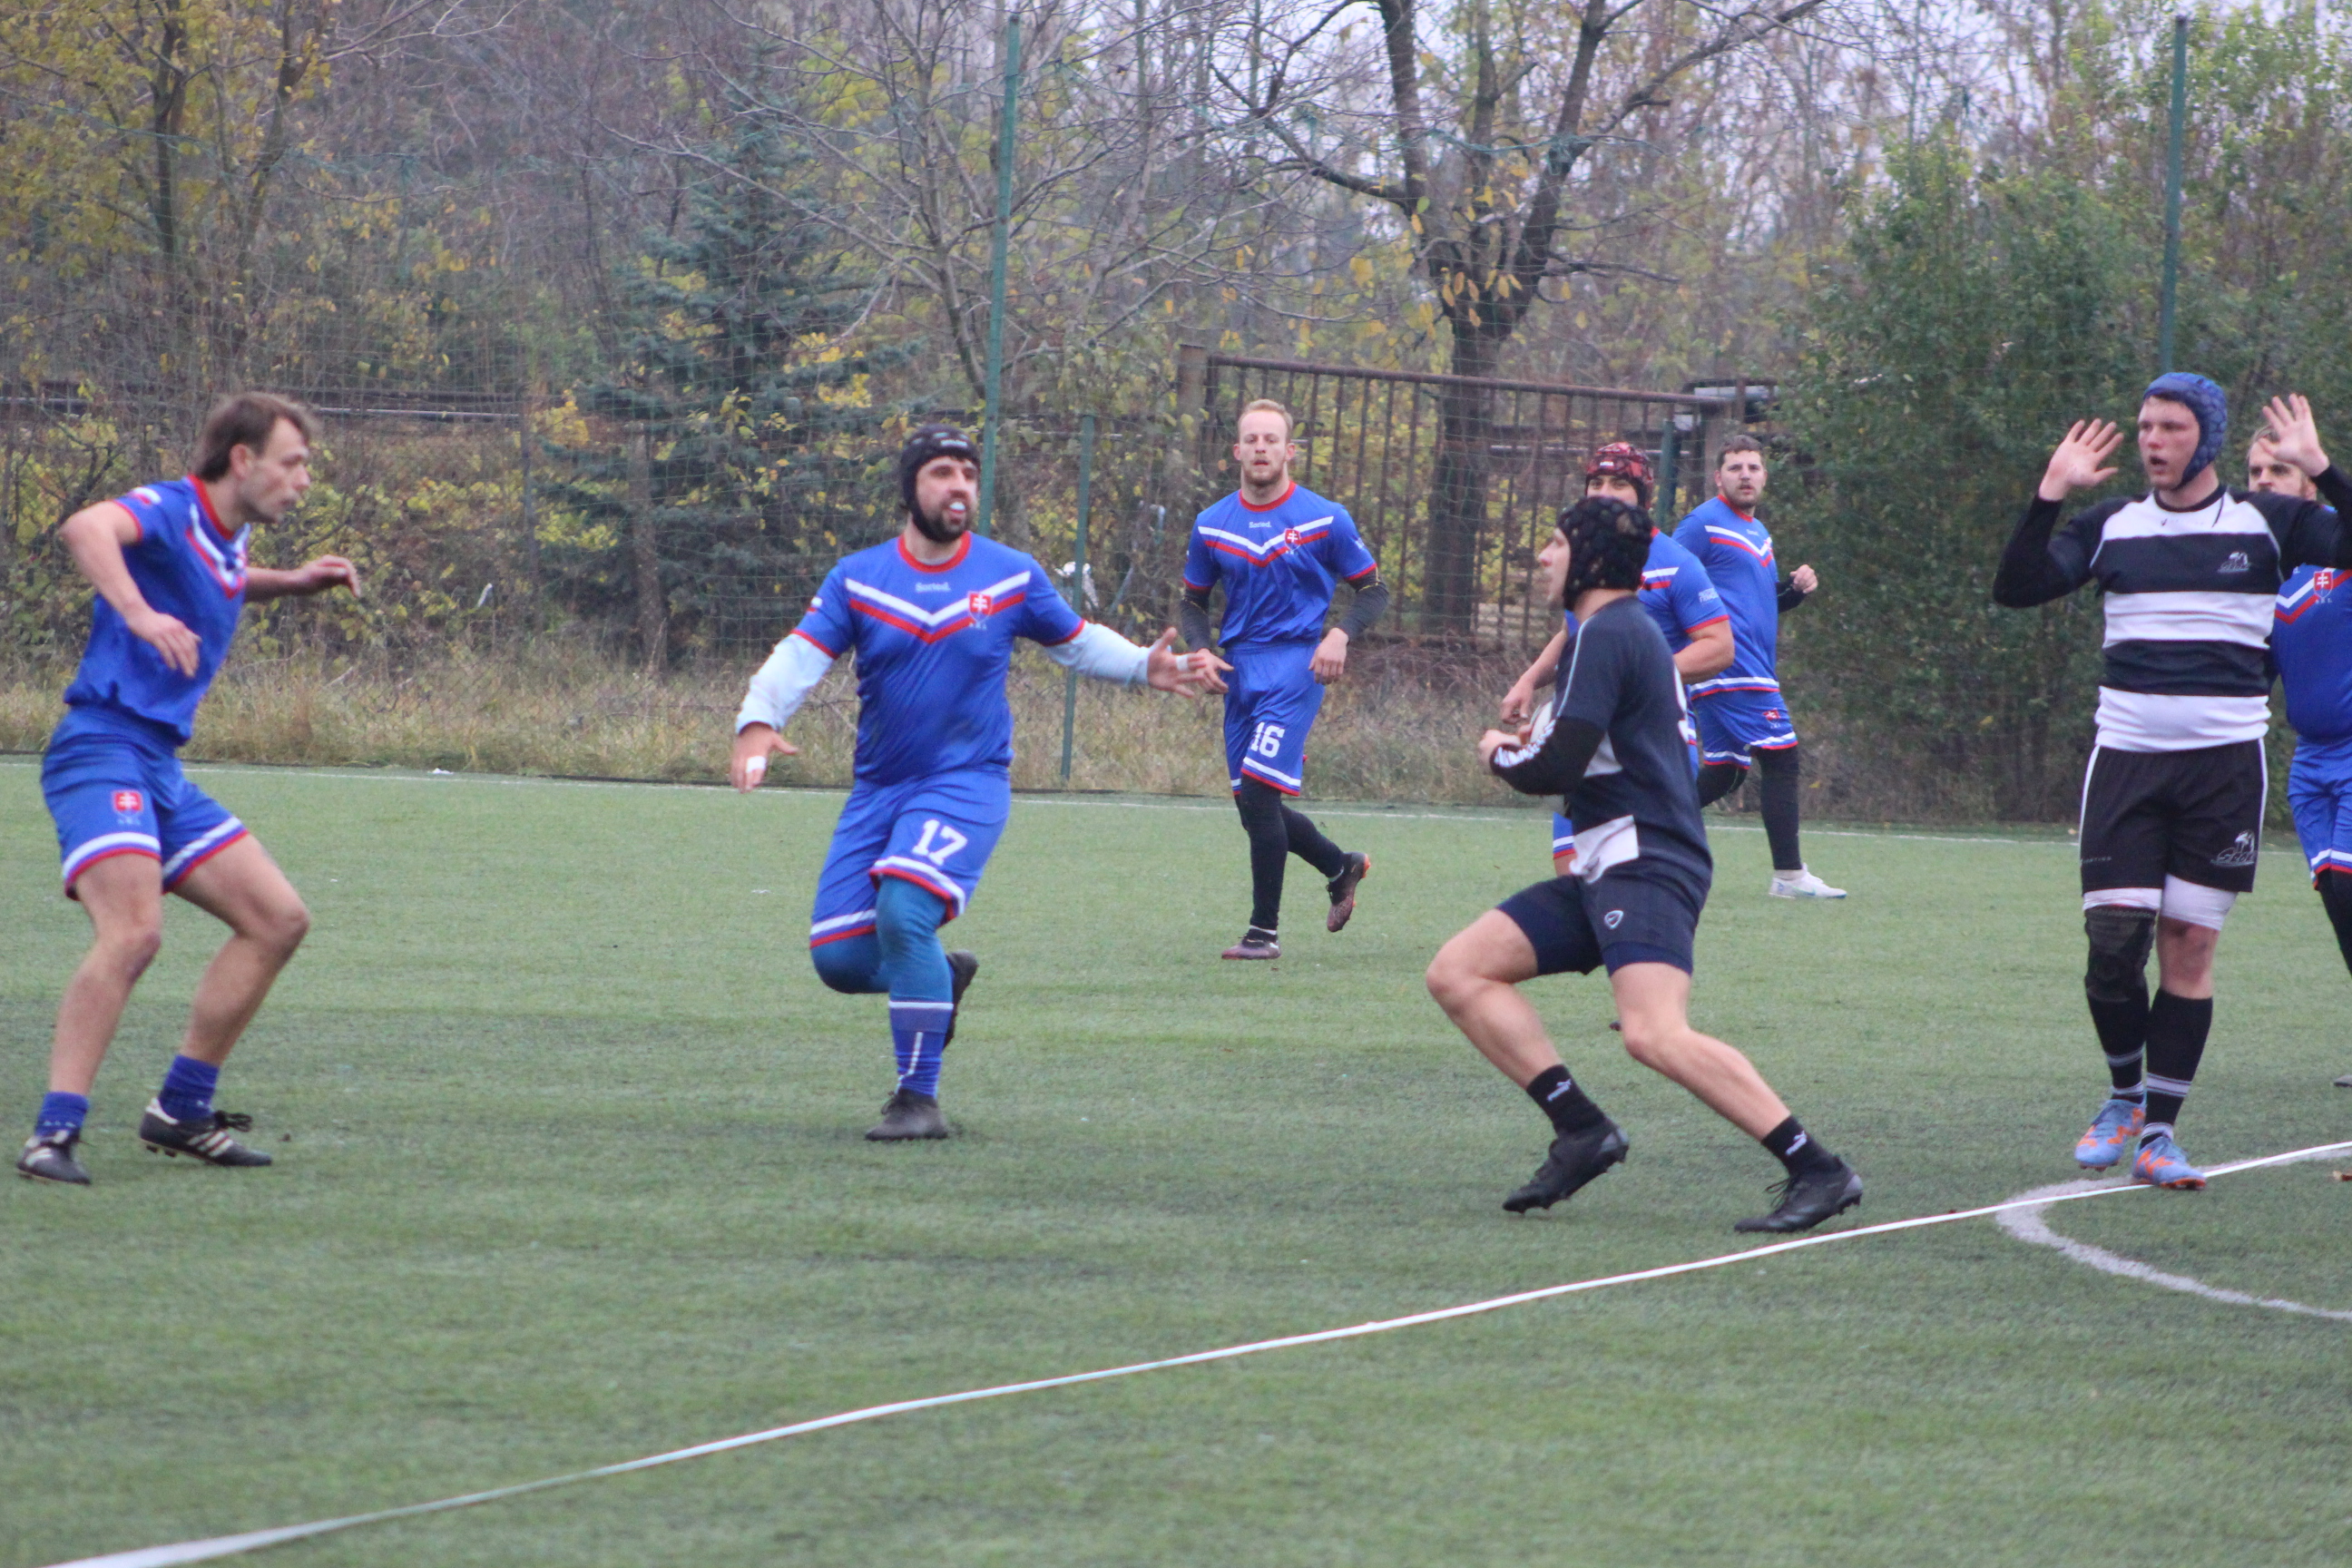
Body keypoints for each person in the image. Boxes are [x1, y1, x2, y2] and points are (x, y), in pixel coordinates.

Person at [731, 426, 1226, 1140]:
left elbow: (1076, 640)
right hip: (880, 789)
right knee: (839, 960)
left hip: (967, 782)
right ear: (910, 489)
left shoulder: (1008, 574)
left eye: (968, 472)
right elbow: (799, 656)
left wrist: (1141, 665)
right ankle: (939, 978)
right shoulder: (859, 578)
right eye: (941, 472)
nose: (959, 485)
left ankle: (917, 1100)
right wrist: (757, 720)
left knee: (904, 912)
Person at [1426, 495, 1863, 1233]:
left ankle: (1817, 1168)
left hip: (1648, 861)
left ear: (1592, 559)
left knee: (1653, 1033)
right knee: (1459, 971)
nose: (1543, 556)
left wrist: (1499, 752)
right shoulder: (1610, 632)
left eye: (1556, 542)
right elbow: (1589, 751)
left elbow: (1555, 766)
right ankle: (1582, 1130)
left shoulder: (1610, 631)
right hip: (1608, 863)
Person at [1994, 378, 2352, 1187]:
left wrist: (2322, 469)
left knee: (2188, 949)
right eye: (2146, 426)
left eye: (2172, 427)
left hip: (2223, 769)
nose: (2153, 441)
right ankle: (2124, 1094)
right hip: (2127, 761)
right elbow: (2015, 587)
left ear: (2208, 438)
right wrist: (2049, 494)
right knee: (2112, 945)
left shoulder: (2269, 521)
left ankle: (2160, 1132)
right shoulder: (2111, 525)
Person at [18, 393, 360, 1186]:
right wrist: (137, 613)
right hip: (102, 749)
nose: (304, 481)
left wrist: (294, 582)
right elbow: (85, 527)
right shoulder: (174, 507)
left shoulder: (226, 535)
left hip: (157, 766)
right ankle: (52, 1133)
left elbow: (219, 579)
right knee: (134, 934)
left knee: (277, 920)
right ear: (242, 459)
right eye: (293, 463)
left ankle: (181, 1109)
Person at [1179, 398, 1388, 960]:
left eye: (1271, 439)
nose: (1261, 448)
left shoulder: (1325, 518)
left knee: (1259, 792)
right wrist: (1200, 650)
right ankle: (1340, 866)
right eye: (1251, 439)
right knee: (1253, 808)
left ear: (1289, 450)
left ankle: (1262, 934)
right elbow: (1192, 603)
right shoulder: (1211, 523)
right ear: (1237, 451)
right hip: (1238, 670)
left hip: (1297, 666)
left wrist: (1339, 635)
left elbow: (1374, 591)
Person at [1501, 442, 1732, 875]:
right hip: (1584, 735)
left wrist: (1638, 676)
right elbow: (1573, 632)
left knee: (1633, 881)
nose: (1605, 492)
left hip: (1649, 744)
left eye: (1619, 484)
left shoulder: (1677, 563)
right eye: (1597, 483)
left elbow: (1719, 646)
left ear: (1643, 497)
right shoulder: (1585, 559)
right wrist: (1529, 680)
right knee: (1573, 875)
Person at [1671, 436, 1843, 898]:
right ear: (1718, 477)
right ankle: (1789, 876)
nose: (1745, 475)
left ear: (1765, 476)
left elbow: (1759, 602)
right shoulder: (1702, 523)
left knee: (1726, 771)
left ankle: (1634, 826)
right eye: (1735, 468)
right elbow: (1664, 579)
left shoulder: (1758, 531)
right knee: (1781, 756)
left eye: (1753, 467)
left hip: (1751, 667)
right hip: (1732, 667)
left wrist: (1794, 591)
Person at [2256, 402, 2352, 1088]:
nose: (2264, 481)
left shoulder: (2341, 546)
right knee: (2336, 897)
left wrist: (2320, 461)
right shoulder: (2254, 570)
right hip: (2309, 761)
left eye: (2279, 469)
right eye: (2255, 472)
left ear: (2308, 485)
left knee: (2347, 884)